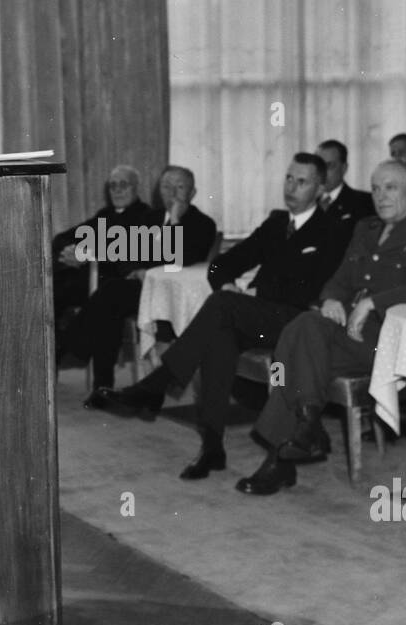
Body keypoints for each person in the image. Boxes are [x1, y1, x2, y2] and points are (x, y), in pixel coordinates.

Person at [96, 154, 346, 478]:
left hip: (298, 323)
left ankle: (156, 384)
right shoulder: (275, 223)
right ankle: (212, 446)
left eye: (302, 182)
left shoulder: (332, 230)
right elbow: (221, 265)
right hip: (259, 319)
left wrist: (249, 297)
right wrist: (227, 283)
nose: (291, 187)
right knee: (219, 336)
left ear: (320, 188)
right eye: (288, 178)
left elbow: (314, 289)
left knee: (224, 307)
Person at [234, 161, 406, 496]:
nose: (380, 196)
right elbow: (340, 279)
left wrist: (373, 303)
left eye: (391, 188)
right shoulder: (365, 229)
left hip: (390, 338)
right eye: (376, 188)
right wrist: (331, 299)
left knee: (296, 347)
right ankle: (304, 428)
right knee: (302, 333)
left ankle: (292, 447)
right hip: (350, 332)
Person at [70, 166, 217, 399]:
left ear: (192, 192)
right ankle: (102, 385)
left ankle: (72, 345)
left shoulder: (203, 224)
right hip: (142, 289)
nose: (172, 193)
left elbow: (181, 259)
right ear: (159, 191)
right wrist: (134, 270)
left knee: (109, 295)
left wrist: (175, 222)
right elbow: (127, 253)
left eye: (180, 187)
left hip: (172, 296)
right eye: (166, 187)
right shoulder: (149, 218)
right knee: (110, 305)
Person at [52, 166, 153, 320]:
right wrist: (71, 252)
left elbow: (127, 252)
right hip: (90, 275)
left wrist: (86, 254)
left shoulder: (147, 216)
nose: (117, 190)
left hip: (117, 282)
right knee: (52, 283)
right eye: (113, 185)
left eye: (123, 185)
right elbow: (63, 238)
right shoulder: (105, 215)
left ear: (135, 188)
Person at [315, 139, 376, 247]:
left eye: (329, 166)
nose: (322, 172)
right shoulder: (306, 202)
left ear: (344, 168)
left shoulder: (365, 202)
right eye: (319, 166)